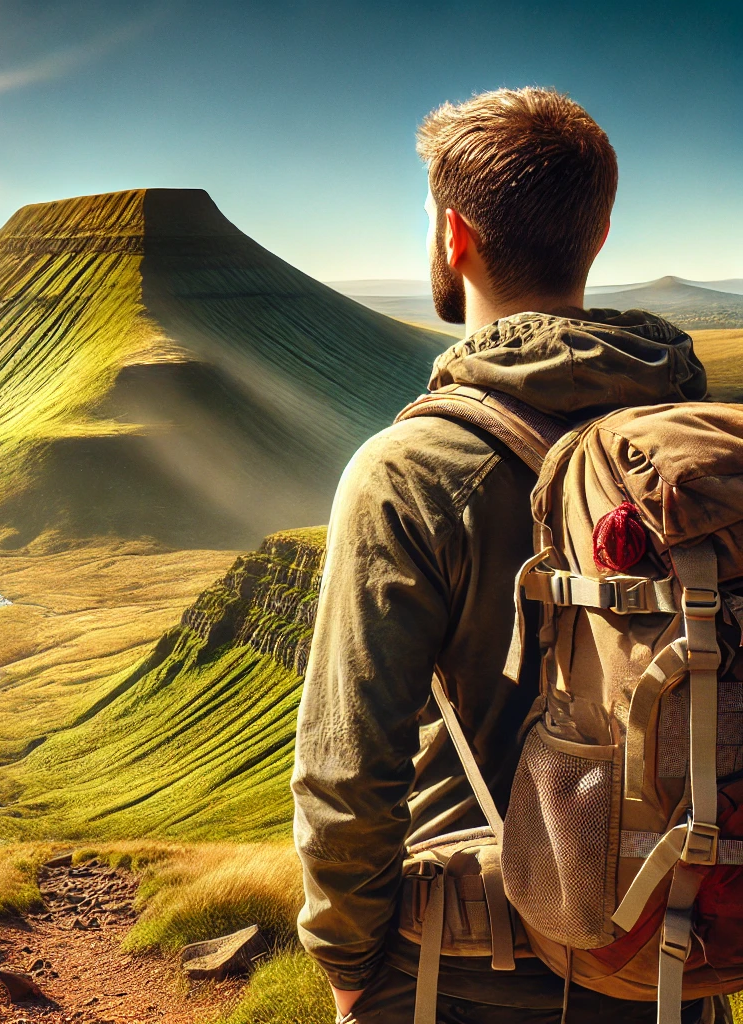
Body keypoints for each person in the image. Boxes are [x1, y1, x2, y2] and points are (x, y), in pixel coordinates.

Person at [291, 87, 723, 1023]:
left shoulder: (408, 471)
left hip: (462, 970)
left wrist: (348, 966)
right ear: (597, 236)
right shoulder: (697, 459)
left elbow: (346, 771)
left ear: (455, 236)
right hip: (675, 955)